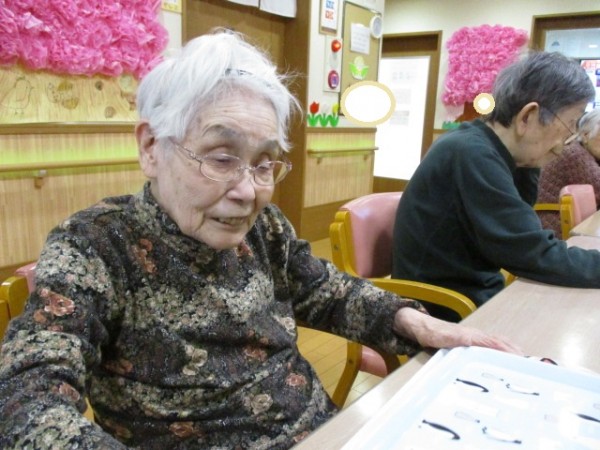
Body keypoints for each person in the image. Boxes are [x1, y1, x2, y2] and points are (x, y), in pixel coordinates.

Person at [0, 30, 519, 449]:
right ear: (152, 147)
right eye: (221, 157)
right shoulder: (95, 245)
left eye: (264, 162)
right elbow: (27, 398)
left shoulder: (265, 228)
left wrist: (421, 324)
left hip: (327, 431)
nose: (248, 191)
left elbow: (328, 292)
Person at [392, 51, 600, 322]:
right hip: (444, 310)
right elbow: (530, 253)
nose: (569, 141)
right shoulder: (471, 153)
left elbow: (523, 236)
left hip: (476, 294)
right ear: (527, 117)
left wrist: (530, 162)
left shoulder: (497, 151)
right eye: (570, 125)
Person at [537, 108, 600, 238]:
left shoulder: (586, 152)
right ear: (585, 135)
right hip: (555, 224)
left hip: (576, 220)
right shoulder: (575, 154)